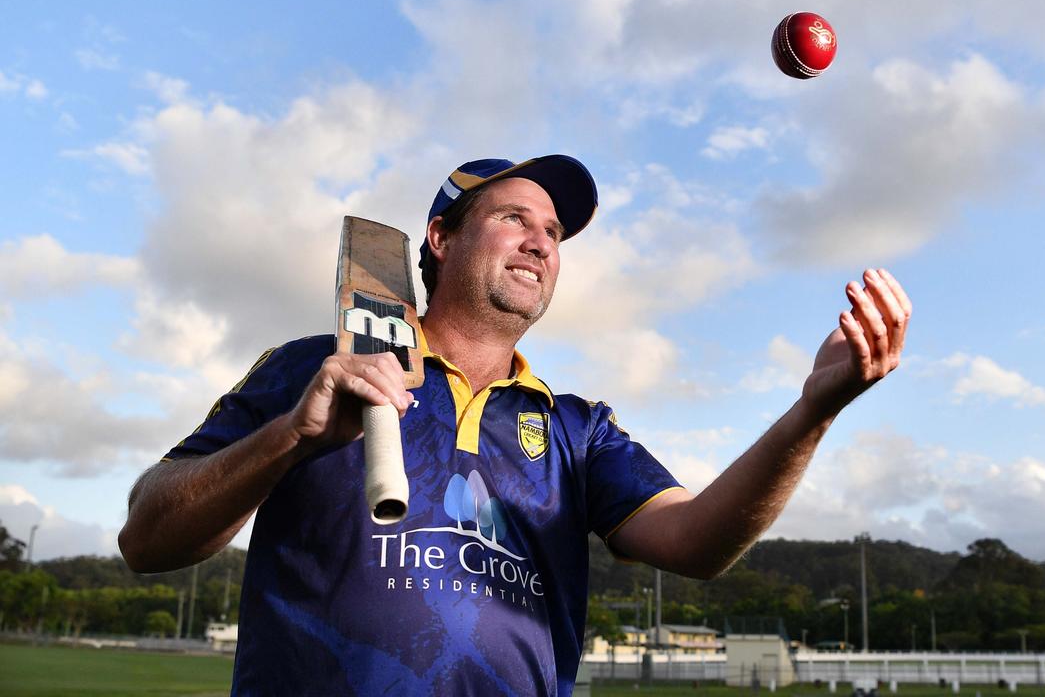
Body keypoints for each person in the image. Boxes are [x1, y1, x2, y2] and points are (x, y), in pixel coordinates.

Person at [118, 154, 911, 696]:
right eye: (513, 218)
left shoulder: (576, 430)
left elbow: (699, 543)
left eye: (555, 234)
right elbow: (147, 537)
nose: (541, 240)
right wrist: (292, 435)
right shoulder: (313, 370)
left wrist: (813, 411)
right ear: (441, 239)